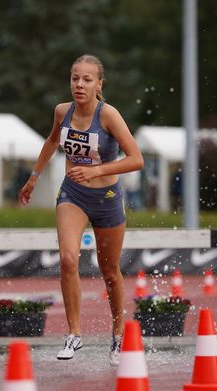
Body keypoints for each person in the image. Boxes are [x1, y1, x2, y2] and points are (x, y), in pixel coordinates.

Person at [19, 54, 144, 366]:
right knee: (67, 258)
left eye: (87, 79)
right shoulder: (62, 111)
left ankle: (118, 332)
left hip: (107, 198)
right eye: (75, 78)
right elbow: (51, 141)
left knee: (110, 273)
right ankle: (74, 332)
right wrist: (33, 178)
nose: (79, 84)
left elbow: (136, 159)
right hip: (72, 195)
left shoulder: (109, 116)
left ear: (99, 84)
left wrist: (96, 171)